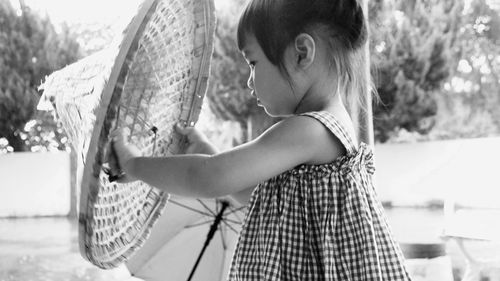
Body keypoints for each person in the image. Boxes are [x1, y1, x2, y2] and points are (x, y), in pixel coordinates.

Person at [110, 0, 411, 279]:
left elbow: (209, 176)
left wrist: (135, 164)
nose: (248, 80)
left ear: (301, 53)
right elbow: (257, 194)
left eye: (253, 63)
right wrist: (209, 151)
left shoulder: (310, 129)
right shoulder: (326, 130)